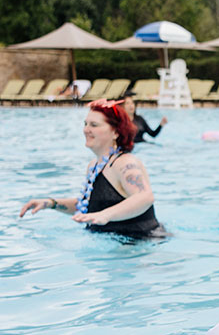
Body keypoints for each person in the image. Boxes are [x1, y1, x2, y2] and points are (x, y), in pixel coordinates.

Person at [19, 99, 164, 239]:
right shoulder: (94, 165)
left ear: (116, 132)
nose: (86, 129)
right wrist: (51, 203)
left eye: (94, 125)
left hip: (141, 244)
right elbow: (88, 206)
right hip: (113, 245)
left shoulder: (125, 163)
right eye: (85, 124)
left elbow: (145, 197)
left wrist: (105, 215)